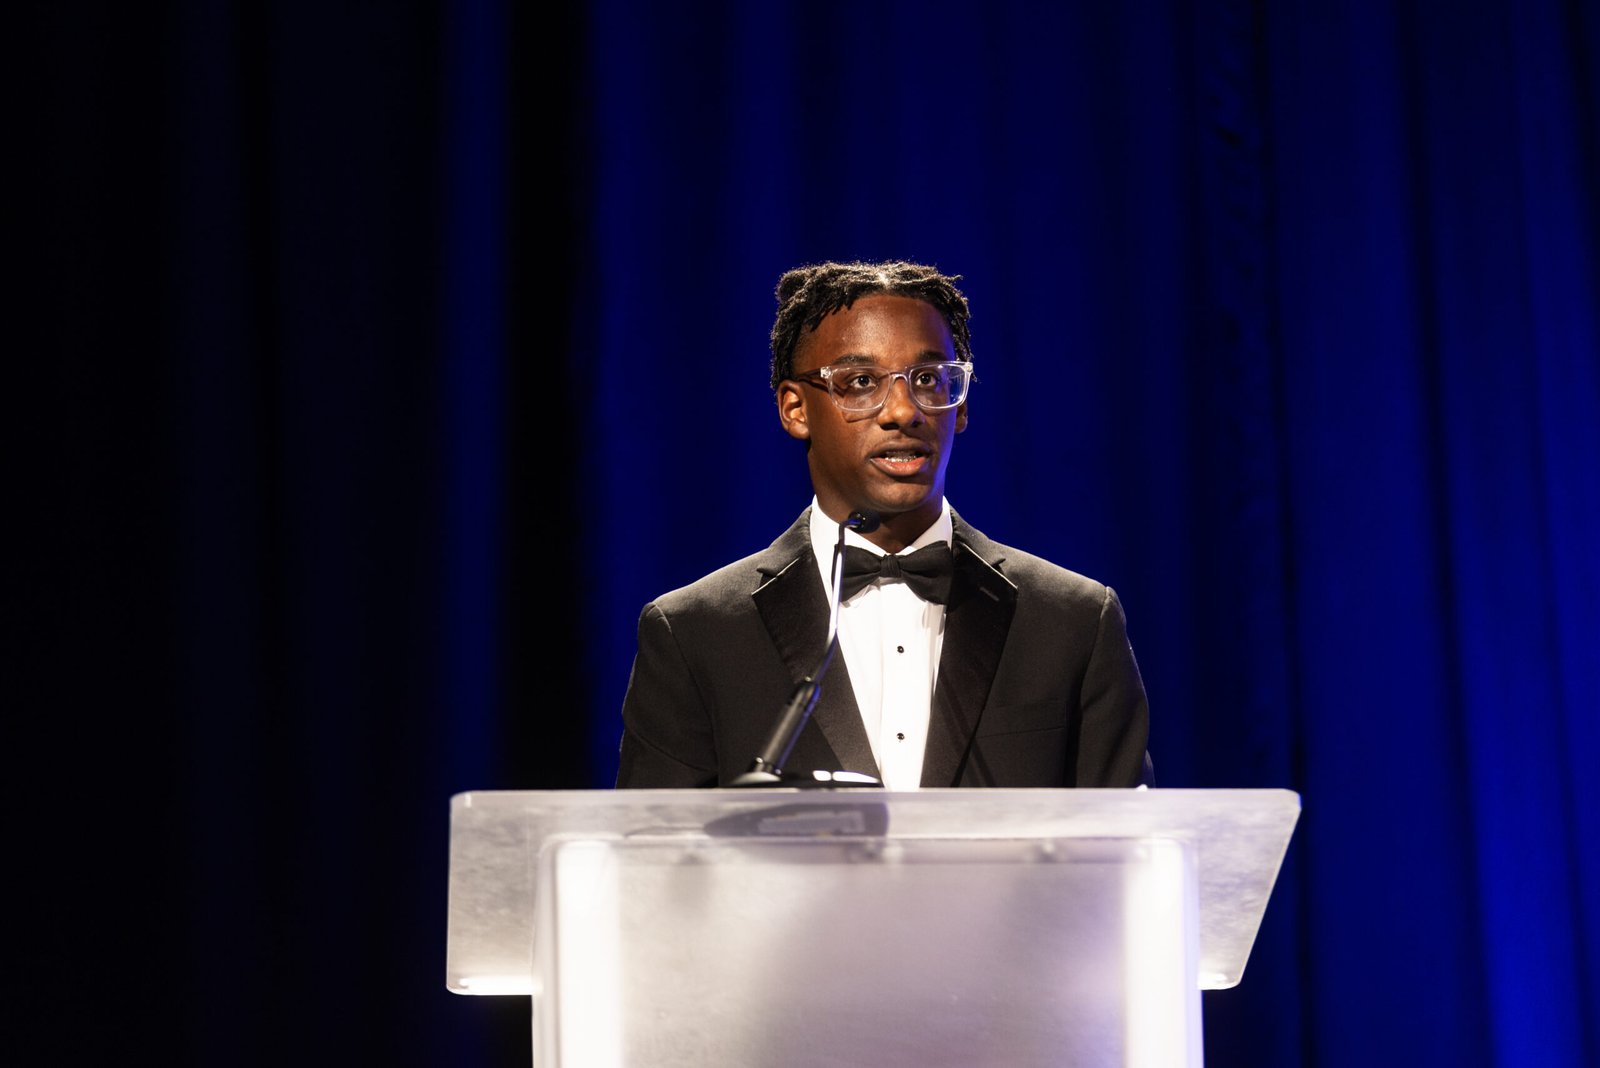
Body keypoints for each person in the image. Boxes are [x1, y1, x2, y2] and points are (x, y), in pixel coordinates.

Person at [615, 259, 1151, 789]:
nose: (903, 411)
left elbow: (1128, 837)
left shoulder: (1073, 622)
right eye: (861, 381)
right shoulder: (695, 634)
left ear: (961, 407)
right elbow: (657, 842)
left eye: (928, 379)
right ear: (795, 409)